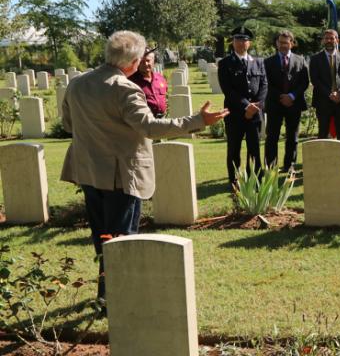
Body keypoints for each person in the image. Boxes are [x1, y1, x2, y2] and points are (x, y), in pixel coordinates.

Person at [60, 30, 228, 301]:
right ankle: (119, 298)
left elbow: (68, 124)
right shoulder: (124, 88)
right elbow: (150, 127)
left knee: (103, 237)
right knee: (121, 240)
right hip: (121, 176)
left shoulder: (78, 84)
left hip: (88, 171)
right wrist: (197, 121)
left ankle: (106, 294)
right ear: (133, 61)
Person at [218, 26, 268, 187]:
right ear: (233, 42)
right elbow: (228, 89)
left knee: (254, 149)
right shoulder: (225, 63)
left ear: (249, 43)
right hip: (235, 114)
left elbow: (264, 85)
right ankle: (234, 181)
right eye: (237, 40)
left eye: (244, 40)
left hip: (255, 115)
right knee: (234, 149)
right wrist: (246, 106)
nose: (240, 43)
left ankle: (255, 181)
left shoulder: (258, 62)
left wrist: (257, 106)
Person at [263, 30, 309, 171]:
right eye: (280, 42)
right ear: (276, 44)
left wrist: (292, 96)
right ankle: (271, 166)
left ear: (292, 44)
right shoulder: (268, 62)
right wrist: (281, 97)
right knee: (272, 137)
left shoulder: (300, 60)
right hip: (274, 104)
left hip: (294, 104)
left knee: (292, 137)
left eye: (286, 42)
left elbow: (304, 82)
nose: (283, 45)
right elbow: (266, 83)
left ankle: (290, 165)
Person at [309, 29, 340, 141]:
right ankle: (323, 158)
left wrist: (339, 93)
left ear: (337, 40)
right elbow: (315, 80)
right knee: (323, 133)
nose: (329, 40)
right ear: (323, 40)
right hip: (322, 102)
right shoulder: (315, 59)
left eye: (332, 38)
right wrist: (330, 94)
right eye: (326, 38)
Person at [128, 48, 168, 117]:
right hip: (144, 122)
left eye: (148, 60)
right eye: (142, 61)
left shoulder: (160, 78)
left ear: (153, 61)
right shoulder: (131, 81)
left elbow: (165, 95)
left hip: (162, 120)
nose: (145, 64)